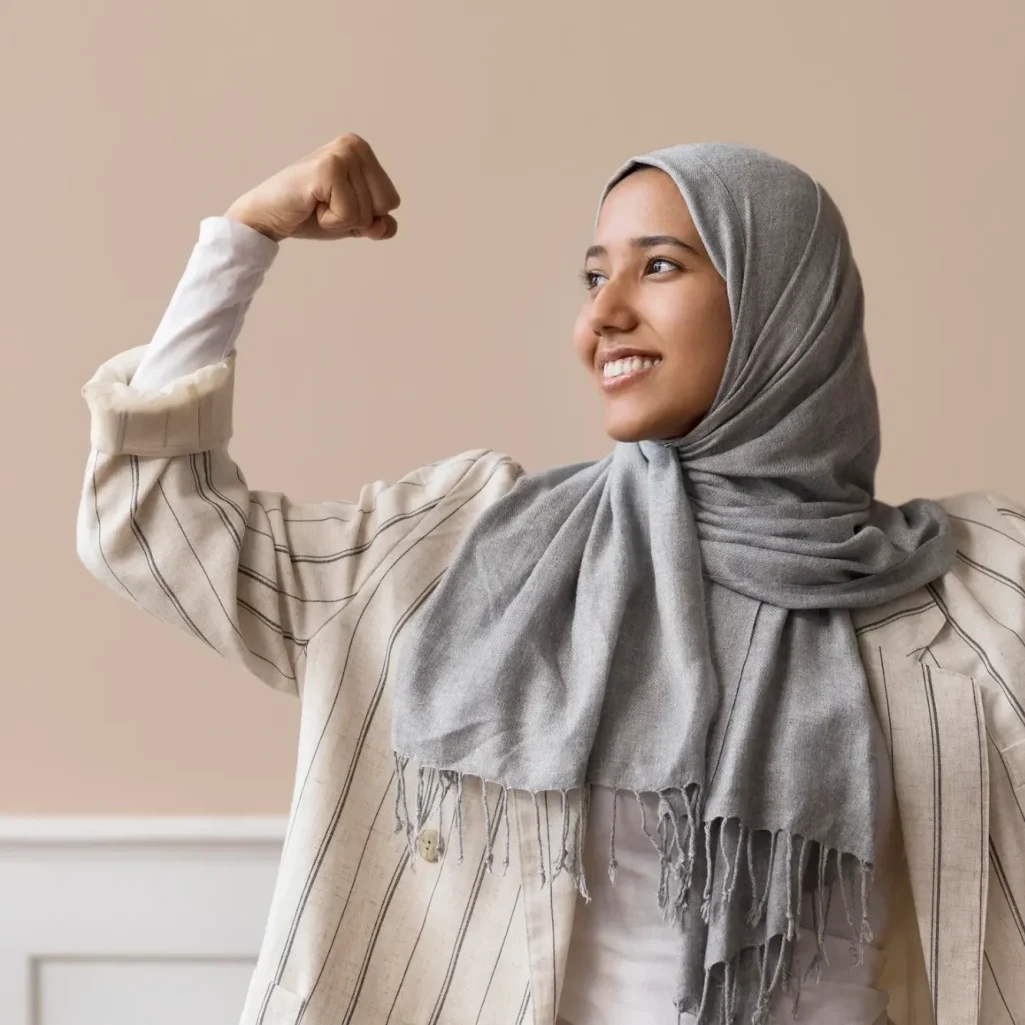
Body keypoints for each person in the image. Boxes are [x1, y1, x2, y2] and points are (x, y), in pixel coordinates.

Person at [75, 134, 1025, 1025]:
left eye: (658, 265)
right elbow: (158, 527)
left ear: (786, 304)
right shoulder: (469, 561)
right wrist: (246, 235)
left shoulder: (964, 590)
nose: (603, 313)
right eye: (592, 274)